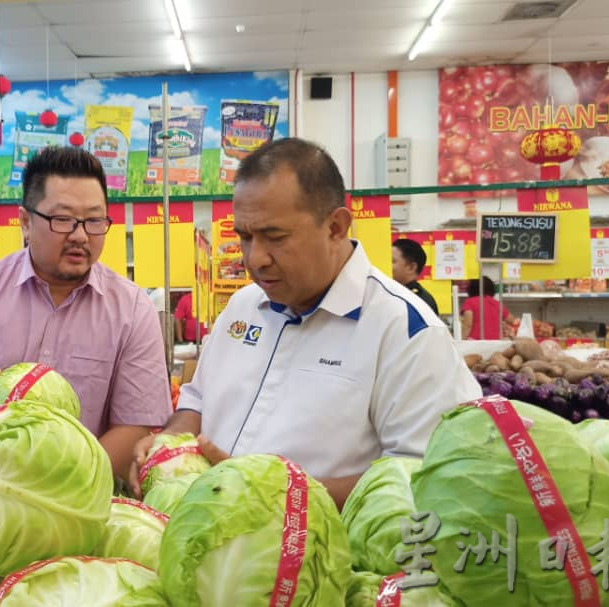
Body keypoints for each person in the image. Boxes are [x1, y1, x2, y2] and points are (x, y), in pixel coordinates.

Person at [130, 139, 481, 508]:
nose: (256, 259)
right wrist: (167, 444)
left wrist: (273, 494)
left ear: (335, 227)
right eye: (245, 237)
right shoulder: (243, 306)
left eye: (275, 237)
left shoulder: (406, 332)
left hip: (320, 557)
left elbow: (426, 474)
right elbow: (198, 400)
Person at [0, 147, 172, 478]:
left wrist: (62, 485)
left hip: (81, 495)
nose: (80, 235)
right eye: (62, 219)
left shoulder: (133, 309)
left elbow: (134, 426)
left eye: (94, 220)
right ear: (24, 221)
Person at [391, 238, 439, 315]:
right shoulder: (397, 293)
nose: (386, 265)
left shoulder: (418, 300)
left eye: (392, 261)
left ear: (411, 267)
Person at [460, 276, 517, 340]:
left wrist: (461, 339)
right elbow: (514, 321)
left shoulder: (470, 302)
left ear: (471, 289)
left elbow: (468, 325)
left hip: (475, 343)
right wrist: (507, 329)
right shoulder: (496, 303)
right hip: (496, 343)